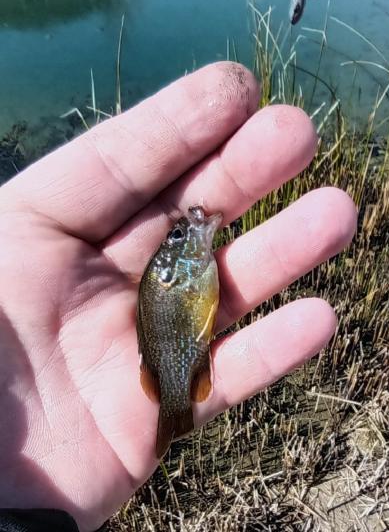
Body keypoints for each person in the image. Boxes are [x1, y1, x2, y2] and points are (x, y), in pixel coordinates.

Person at [0, 62, 356, 532]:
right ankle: (174, 409)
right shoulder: (180, 273)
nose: (185, 238)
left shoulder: (185, 271)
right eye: (177, 243)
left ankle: (175, 409)